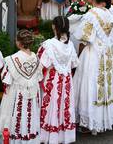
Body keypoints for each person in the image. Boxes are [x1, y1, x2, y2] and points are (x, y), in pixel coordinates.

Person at [73, 0, 113, 134]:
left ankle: (89, 122)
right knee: (104, 84)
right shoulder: (111, 14)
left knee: (90, 84)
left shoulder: (91, 14)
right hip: (107, 55)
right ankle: (102, 119)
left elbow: (83, 38)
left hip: (93, 54)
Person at [0, 29, 43, 143]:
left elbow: (5, 80)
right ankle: (29, 138)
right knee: (30, 116)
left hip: (16, 94)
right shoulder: (37, 59)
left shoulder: (11, 59)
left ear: (18, 42)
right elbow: (39, 77)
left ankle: (14, 139)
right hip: (32, 94)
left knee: (15, 115)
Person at [38, 16, 79, 144]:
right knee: (63, 105)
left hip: (52, 80)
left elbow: (41, 64)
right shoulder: (70, 45)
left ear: (54, 27)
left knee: (51, 105)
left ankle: (48, 135)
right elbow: (74, 64)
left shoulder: (49, 44)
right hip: (66, 80)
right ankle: (63, 136)